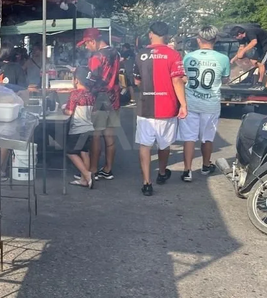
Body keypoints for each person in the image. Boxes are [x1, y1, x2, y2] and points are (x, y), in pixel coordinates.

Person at [133, 21, 187, 196]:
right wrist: (184, 105)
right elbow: (177, 80)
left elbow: (137, 81)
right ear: (167, 36)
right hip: (167, 106)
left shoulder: (140, 54)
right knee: (164, 143)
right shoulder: (173, 54)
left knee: (145, 144)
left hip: (145, 106)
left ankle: (146, 182)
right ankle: (162, 173)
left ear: (150, 34)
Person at [178, 26, 230, 182]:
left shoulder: (188, 57)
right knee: (207, 138)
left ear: (198, 40)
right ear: (215, 40)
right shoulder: (223, 58)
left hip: (191, 103)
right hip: (211, 104)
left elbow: (183, 77)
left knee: (189, 138)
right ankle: (206, 165)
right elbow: (225, 79)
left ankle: (187, 171)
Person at [79, 28, 121, 180]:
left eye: (86, 44)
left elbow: (92, 80)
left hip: (99, 99)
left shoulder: (96, 56)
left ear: (92, 41)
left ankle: (93, 169)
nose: (86, 47)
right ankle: (108, 169)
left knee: (95, 135)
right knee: (109, 136)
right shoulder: (115, 52)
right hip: (114, 97)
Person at [64, 66, 96, 189]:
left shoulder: (75, 94)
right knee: (84, 152)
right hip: (89, 128)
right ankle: (84, 179)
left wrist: (63, 109)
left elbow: (69, 112)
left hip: (78, 129)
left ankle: (87, 175)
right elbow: (93, 112)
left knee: (71, 152)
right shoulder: (91, 94)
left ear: (76, 80)